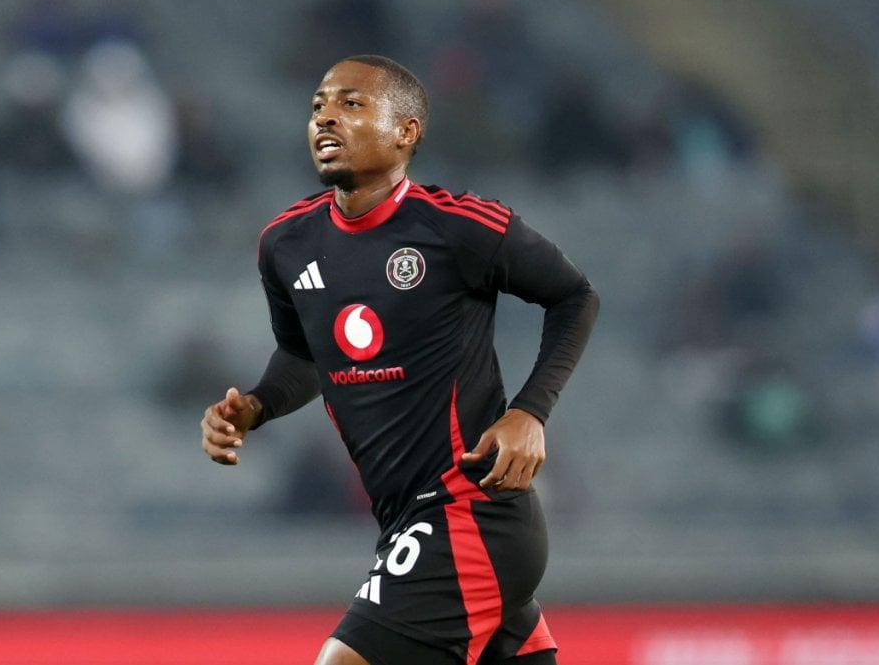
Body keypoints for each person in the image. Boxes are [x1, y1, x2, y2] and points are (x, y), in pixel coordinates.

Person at [200, 55, 599, 665]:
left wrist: (530, 413)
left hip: (472, 510)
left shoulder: (458, 227)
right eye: (317, 107)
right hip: (405, 523)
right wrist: (254, 406)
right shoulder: (285, 244)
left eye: (351, 104)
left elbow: (575, 296)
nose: (326, 118)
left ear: (405, 131)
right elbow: (305, 355)